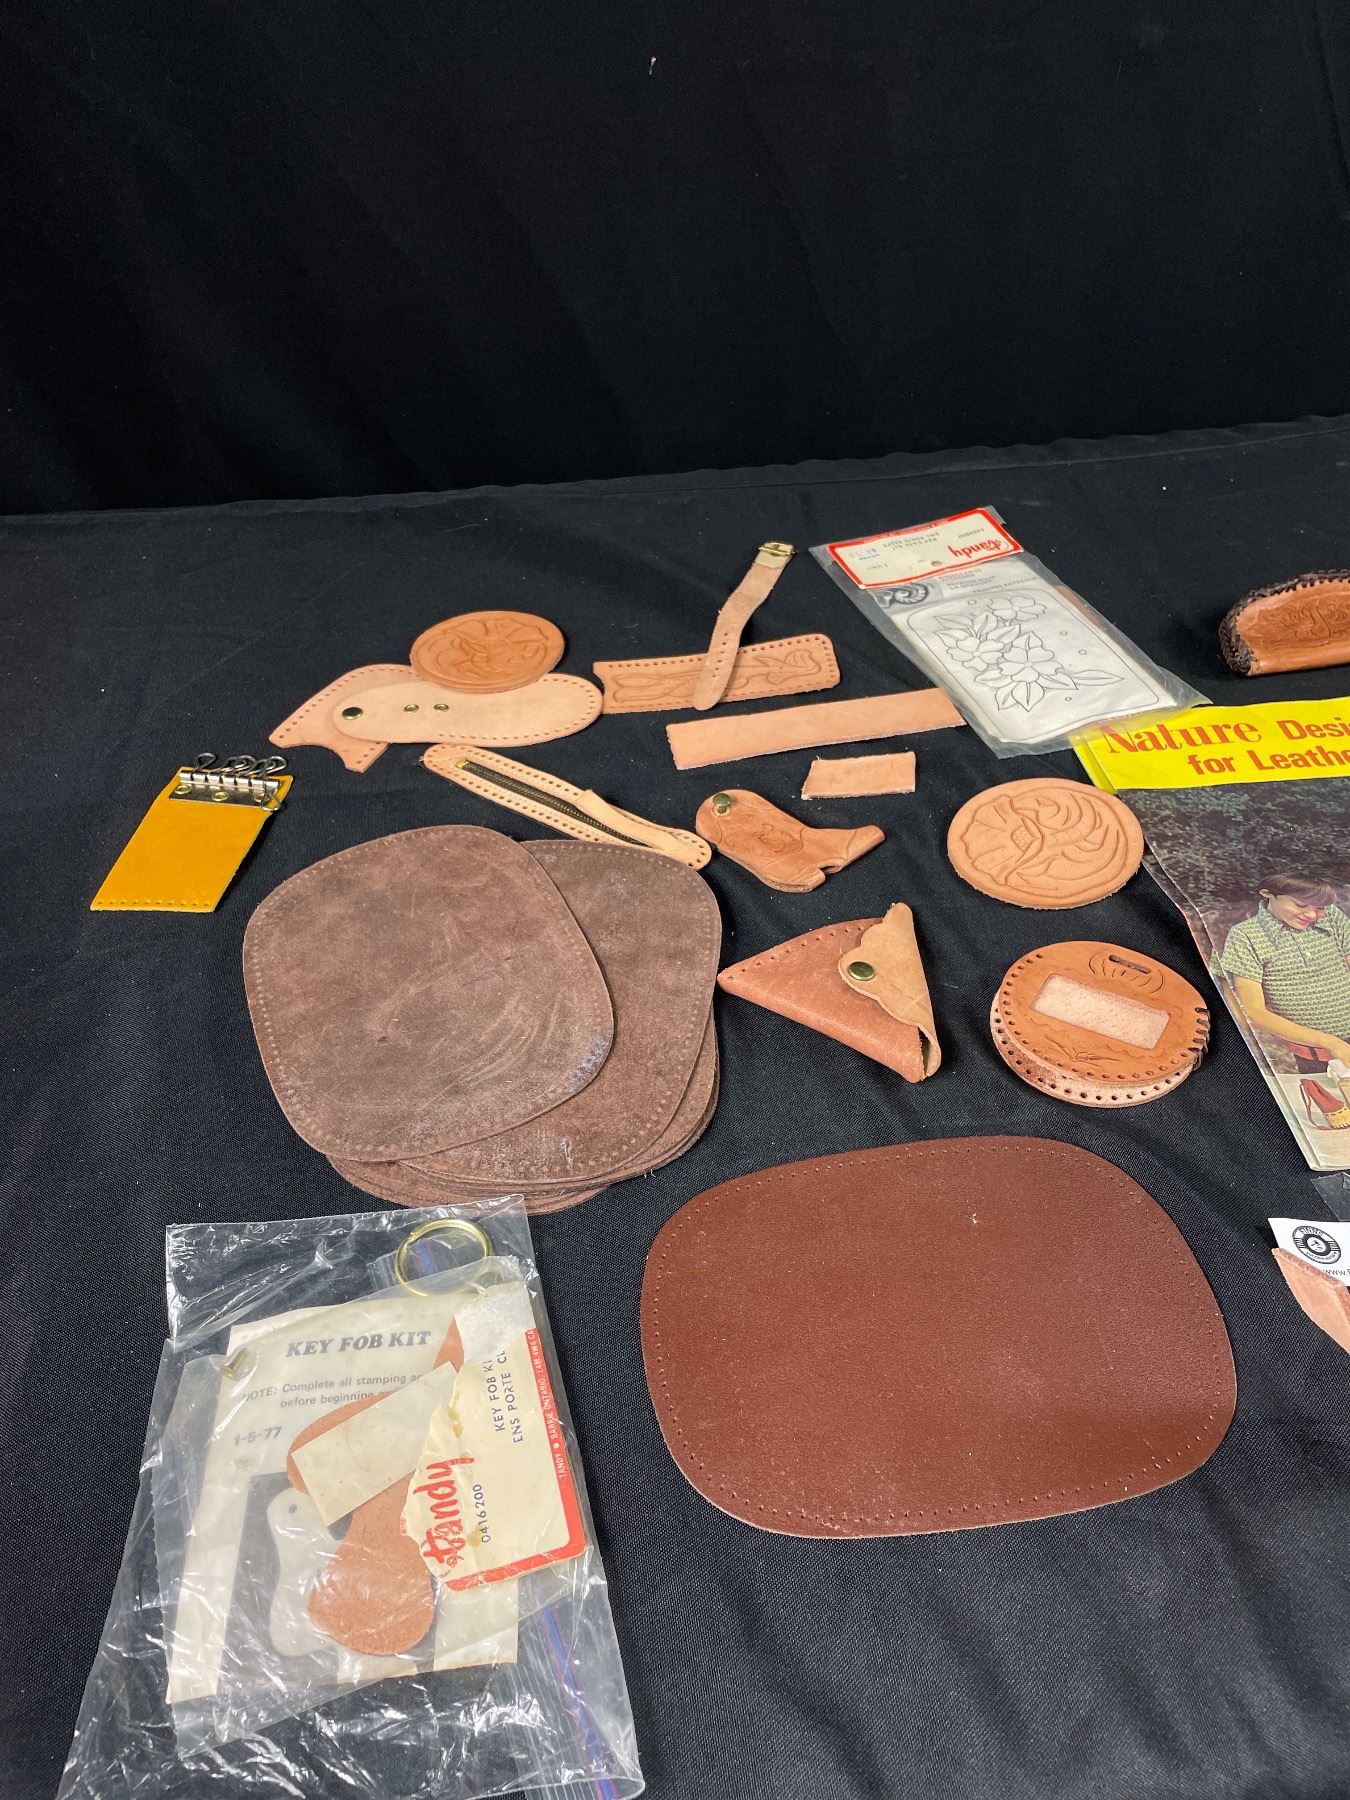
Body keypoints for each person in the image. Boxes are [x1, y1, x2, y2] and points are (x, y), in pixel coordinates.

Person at [1220, 874, 1350, 1068]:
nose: (1311, 915)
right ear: (1267, 894)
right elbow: (1253, 1011)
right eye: (1300, 905)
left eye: (1319, 907)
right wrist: (1330, 1042)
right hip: (1317, 1056)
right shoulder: (1245, 936)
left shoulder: (1331, 917)